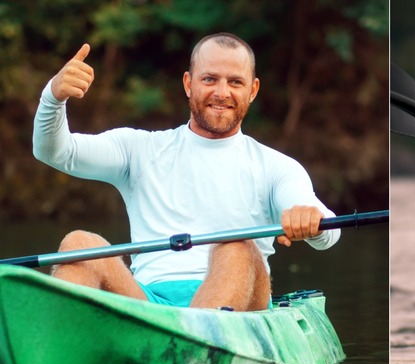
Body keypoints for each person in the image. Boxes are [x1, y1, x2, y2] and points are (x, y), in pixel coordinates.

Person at [32, 32, 340, 311]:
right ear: (188, 84)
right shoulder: (138, 149)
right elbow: (56, 152)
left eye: (235, 82)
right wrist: (54, 97)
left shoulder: (277, 166)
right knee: (78, 243)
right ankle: (51, 358)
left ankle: (195, 348)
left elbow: (329, 230)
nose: (222, 92)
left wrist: (310, 220)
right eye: (209, 79)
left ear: (253, 90)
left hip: (245, 306)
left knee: (235, 245)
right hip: (151, 304)